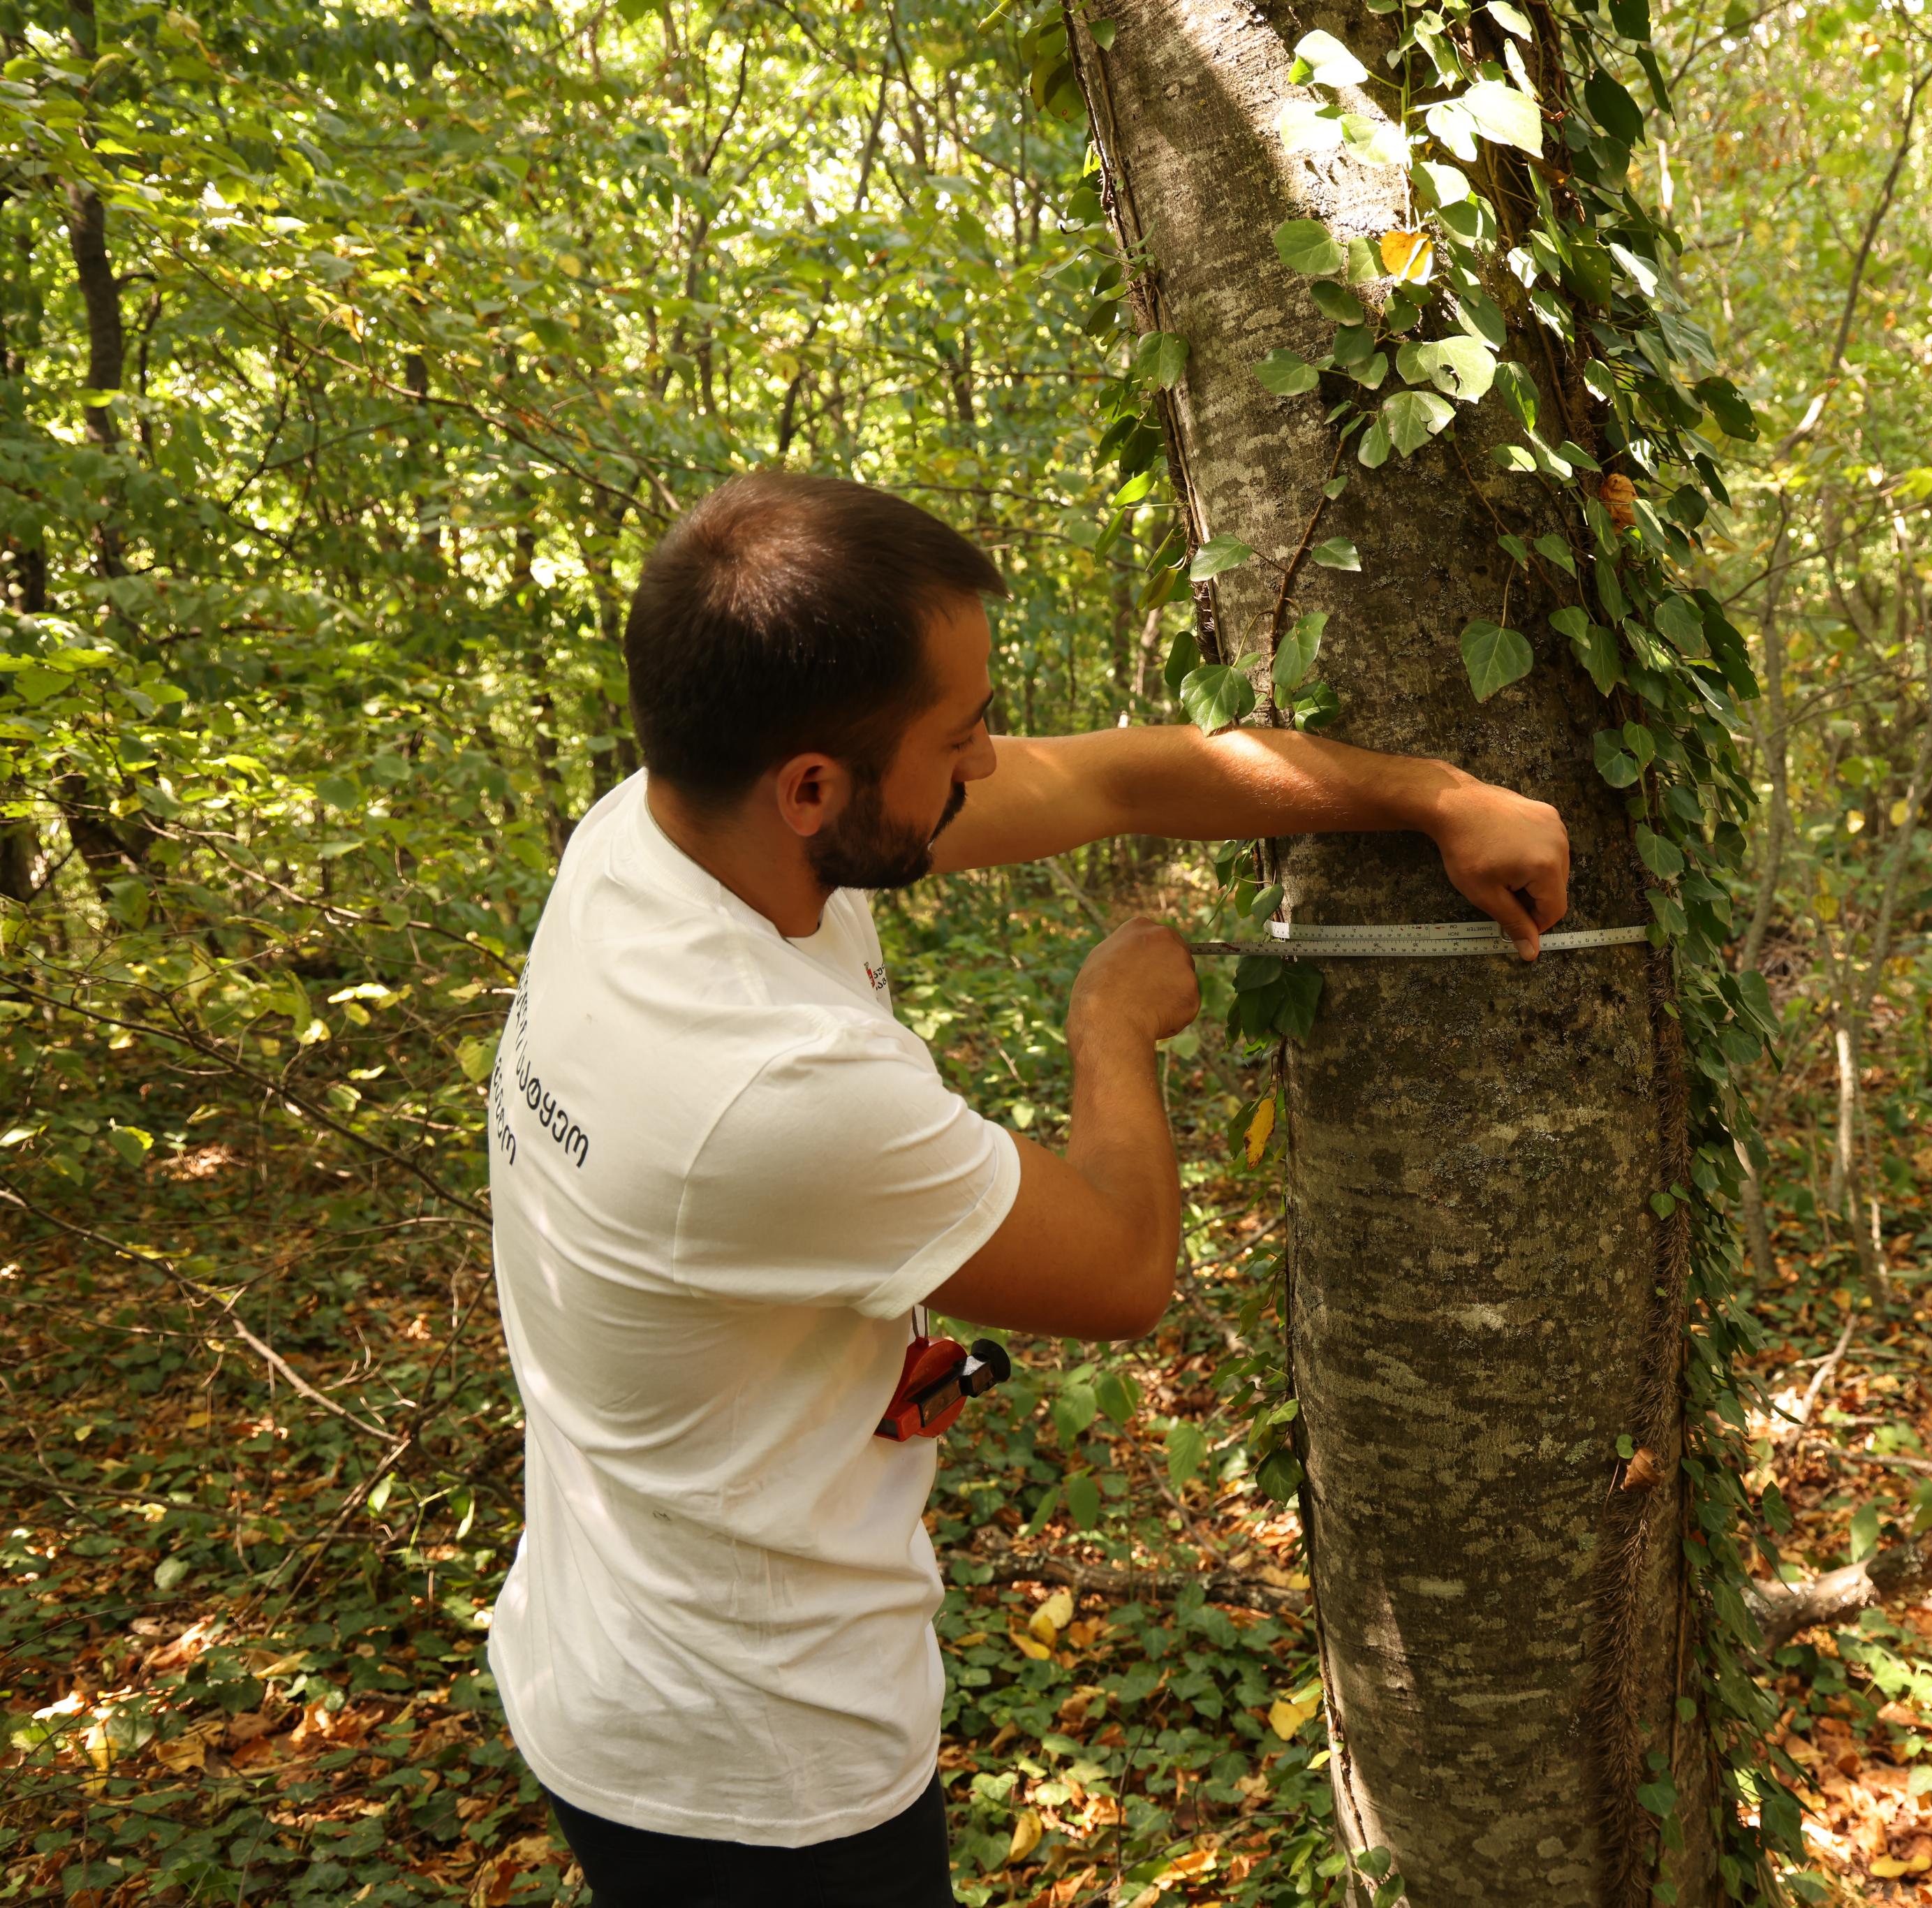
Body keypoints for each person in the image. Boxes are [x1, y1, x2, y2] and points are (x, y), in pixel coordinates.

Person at [482, 472, 1571, 1906]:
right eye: (960, 734)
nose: (990, 761)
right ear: (812, 786)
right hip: (756, 1769)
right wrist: (1109, 1026)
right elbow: (1121, 1269)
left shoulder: (659, 831)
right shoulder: (761, 1089)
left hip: (615, 1650)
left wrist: (1430, 793)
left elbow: (1111, 780)